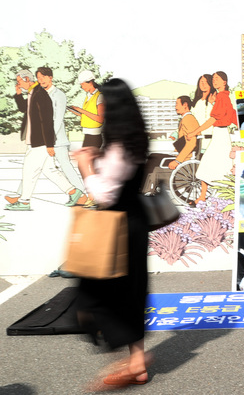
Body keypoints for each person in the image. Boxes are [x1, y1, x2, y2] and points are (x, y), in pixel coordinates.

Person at [73, 78, 151, 388]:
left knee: (96, 290)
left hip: (117, 228)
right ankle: (136, 362)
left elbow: (104, 195)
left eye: (103, 102)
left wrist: (85, 165)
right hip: (133, 223)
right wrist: (97, 158)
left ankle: (134, 361)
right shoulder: (134, 140)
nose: (100, 108)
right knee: (131, 292)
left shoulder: (118, 147)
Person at [5, 69, 76, 211]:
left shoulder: (40, 95)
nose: (18, 84)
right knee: (50, 170)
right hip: (37, 141)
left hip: (39, 142)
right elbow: (24, 109)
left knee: (29, 170)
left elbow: (47, 121)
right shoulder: (33, 93)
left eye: (19, 82)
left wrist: (49, 144)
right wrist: (18, 94)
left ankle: (24, 201)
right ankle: (73, 192)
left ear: (26, 79)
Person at [37, 67, 87, 206]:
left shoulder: (59, 95)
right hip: (44, 139)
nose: (41, 80)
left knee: (65, 166)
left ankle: (82, 194)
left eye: (43, 77)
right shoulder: (40, 95)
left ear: (50, 77)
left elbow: (57, 120)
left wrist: (50, 140)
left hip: (57, 140)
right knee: (34, 165)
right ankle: (22, 197)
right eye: (39, 78)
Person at [187, 71, 237, 204]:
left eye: (217, 79)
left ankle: (209, 198)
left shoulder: (222, 97)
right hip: (220, 134)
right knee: (213, 165)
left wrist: (194, 132)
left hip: (220, 135)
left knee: (210, 165)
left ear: (224, 82)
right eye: (213, 79)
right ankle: (204, 197)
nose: (214, 81)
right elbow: (230, 115)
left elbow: (213, 119)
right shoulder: (222, 97)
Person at [70, 70, 105, 149]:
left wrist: (81, 110)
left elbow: (100, 119)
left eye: (83, 84)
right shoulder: (89, 96)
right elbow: (88, 115)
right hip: (88, 135)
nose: (82, 87)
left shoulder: (100, 96)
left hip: (94, 136)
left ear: (90, 82)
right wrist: (76, 112)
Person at [168, 96, 200, 170]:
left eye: (177, 104)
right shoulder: (186, 118)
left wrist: (177, 161)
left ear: (185, 105)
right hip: (182, 156)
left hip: (185, 158)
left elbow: (191, 143)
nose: (175, 107)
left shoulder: (188, 119)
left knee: (153, 159)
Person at [190, 74, 216, 152]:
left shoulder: (215, 99)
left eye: (206, 82)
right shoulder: (197, 102)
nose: (203, 84)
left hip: (210, 138)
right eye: (201, 82)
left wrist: (212, 103)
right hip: (197, 138)